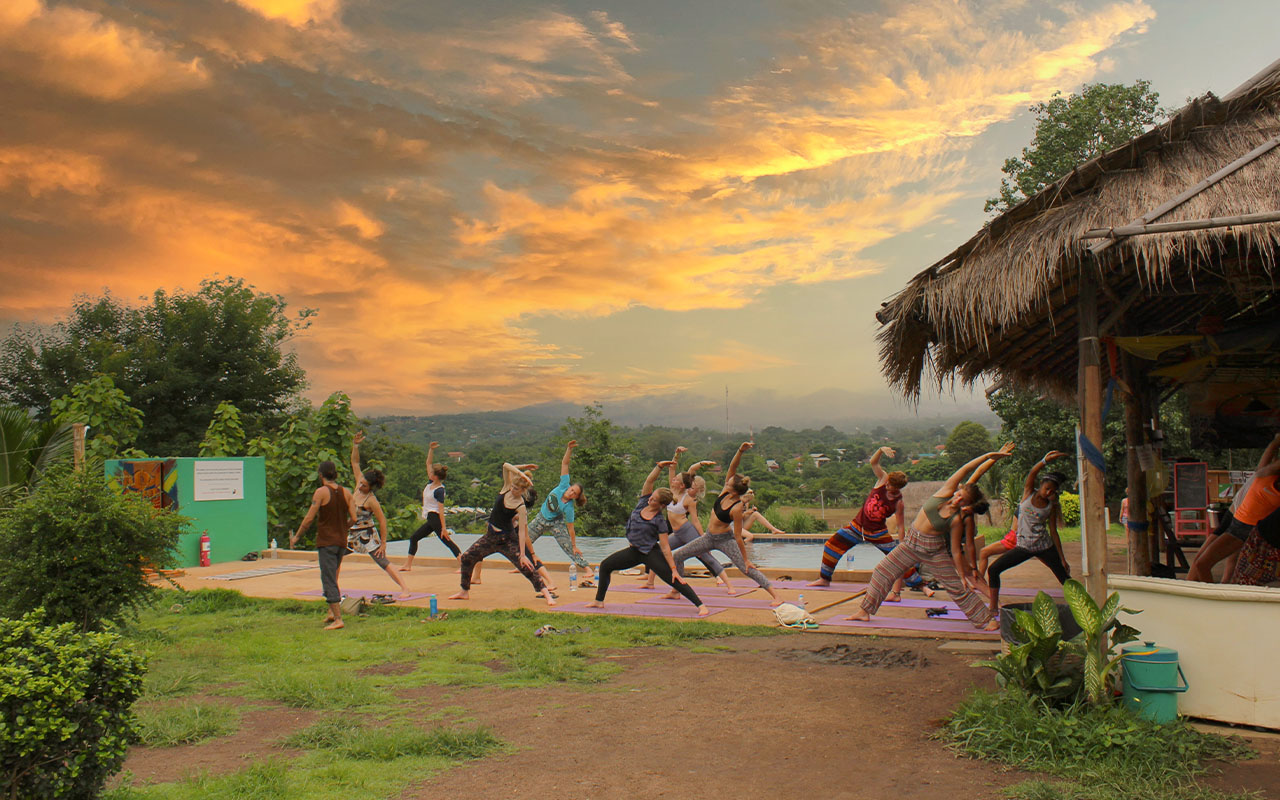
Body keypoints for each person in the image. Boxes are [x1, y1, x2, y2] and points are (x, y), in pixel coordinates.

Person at [846, 445, 1015, 631]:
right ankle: (864, 611)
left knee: (956, 588)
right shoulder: (945, 492)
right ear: (957, 490)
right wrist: (989, 455)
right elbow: (966, 469)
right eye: (959, 495)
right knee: (882, 571)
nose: (957, 499)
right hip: (911, 543)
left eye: (963, 501)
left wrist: (962, 574)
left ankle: (987, 620)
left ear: (967, 504)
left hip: (934, 551)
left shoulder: (957, 519)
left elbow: (956, 551)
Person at [667, 442, 785, 607]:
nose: (726, 482)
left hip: (724, 539)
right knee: (678, 556)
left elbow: (737, 536)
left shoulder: (736, 508)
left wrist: (746, 559)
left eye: (729, 483)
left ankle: (776, 595)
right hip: (709, 537)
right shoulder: (724, 492)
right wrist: (740, 451)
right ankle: (676, 591)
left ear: (735, 491)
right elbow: (733, 467)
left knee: (746, 569)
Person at [587, 460, 710, 616]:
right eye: (651, 496)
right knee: (605, 566)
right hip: (634, 551)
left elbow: (665, 547)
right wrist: (659, 467)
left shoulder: (659, 521)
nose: (650, 498)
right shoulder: (642, 503)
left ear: (660, 504)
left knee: (673, 579)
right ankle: (599, 601)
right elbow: (649, 481)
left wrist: (674, 569)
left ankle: (700, 605)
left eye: (653, 498)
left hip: (651, 553)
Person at [449, 462, 557, 606]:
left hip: (507, 539)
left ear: (523, 490)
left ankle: (547, 594)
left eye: (517, 488)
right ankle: (464, 591)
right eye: (513, 486)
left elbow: (523, 532)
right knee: (467, 557)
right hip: (491, 536)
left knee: (526, 567)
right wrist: (522, 473)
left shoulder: (521, 505)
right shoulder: (506, 489)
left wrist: (524, 556)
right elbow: (506, 466)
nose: (513, 490)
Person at [808, 446, 907, 589]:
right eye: (888, 483)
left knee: (898, 558)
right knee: (831, 546)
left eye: (891, 486)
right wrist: (880, 450)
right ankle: (825, 579)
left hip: (877, 533)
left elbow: (901, 526)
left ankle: (921, 584)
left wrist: (902, 543)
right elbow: (874, 463)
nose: (887, 486)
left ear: (897, 488)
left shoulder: (899, 502)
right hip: (857, 527)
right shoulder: (883, 480)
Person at [1188, 432, 1280, 582]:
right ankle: (1213, 597)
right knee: (1202, 564)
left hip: (1249, 530)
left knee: (1205, 564)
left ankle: (1213, 600)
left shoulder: (1266, 477)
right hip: (1236, 523)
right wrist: (1275, 443)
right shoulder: (1265, 475)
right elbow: (1272, 451)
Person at [641, 447, 736, 592]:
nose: (673, 480)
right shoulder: (671, 492)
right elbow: (672, 468)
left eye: (676, 479)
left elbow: (695, 520)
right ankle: (650, 582)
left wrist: (703, 537)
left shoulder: (688, 500)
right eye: (673, 479)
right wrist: (677, 454)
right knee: (658, 551)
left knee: (705, 556)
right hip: (677, 534)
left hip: (688, 531)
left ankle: (729, 585)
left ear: (682, 485)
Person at [290, 461, 359, 630]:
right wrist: (343, 527)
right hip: (341, 541)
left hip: (327, 541)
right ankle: (331, 613)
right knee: (333, 576)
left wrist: (297, 537)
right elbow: (355, 519)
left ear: (321, 475)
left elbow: (309, 518)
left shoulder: (321, 492)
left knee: (328, 578)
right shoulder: (346, 492)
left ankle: (338, 618)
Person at [348, 433, 412, 598]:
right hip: (351, 533)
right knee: (333, 555)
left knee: (383, 562)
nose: (361, 485)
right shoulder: (357, 485)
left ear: (371, 487)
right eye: (361, 483)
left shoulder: (371, 501)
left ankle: (405, 588)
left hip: (367, 534)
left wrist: (383, 543)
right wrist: (355, 445)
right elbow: (355, 462)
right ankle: (330, 588)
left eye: (364, 485)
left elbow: (382, 521)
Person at [526, 440, 595, 585]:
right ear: (569, 487)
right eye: (572, 490)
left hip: (555, 524)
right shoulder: (563, 484)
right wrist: (569, 449)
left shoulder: (569, 508)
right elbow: (565, 464)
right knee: (523, 541)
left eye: (574, 493)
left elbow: (571, 529)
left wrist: (574, 545)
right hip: (540, 519)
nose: (571, 493)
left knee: (568, 547)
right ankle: (525, 564)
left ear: (576, 497)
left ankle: (588, 569)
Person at [404, 442, 459, 570]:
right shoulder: (430, 484)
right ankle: (408, 565)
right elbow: (428, 463)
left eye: (431, 473)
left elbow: (440, 509)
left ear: (435, 476)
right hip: (430, 518)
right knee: (414, 538)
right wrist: (431, 450)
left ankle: (463, 563)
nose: (429, 473)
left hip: (435, 517)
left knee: (447, 541)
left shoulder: (439, 490)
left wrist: (444, 528)